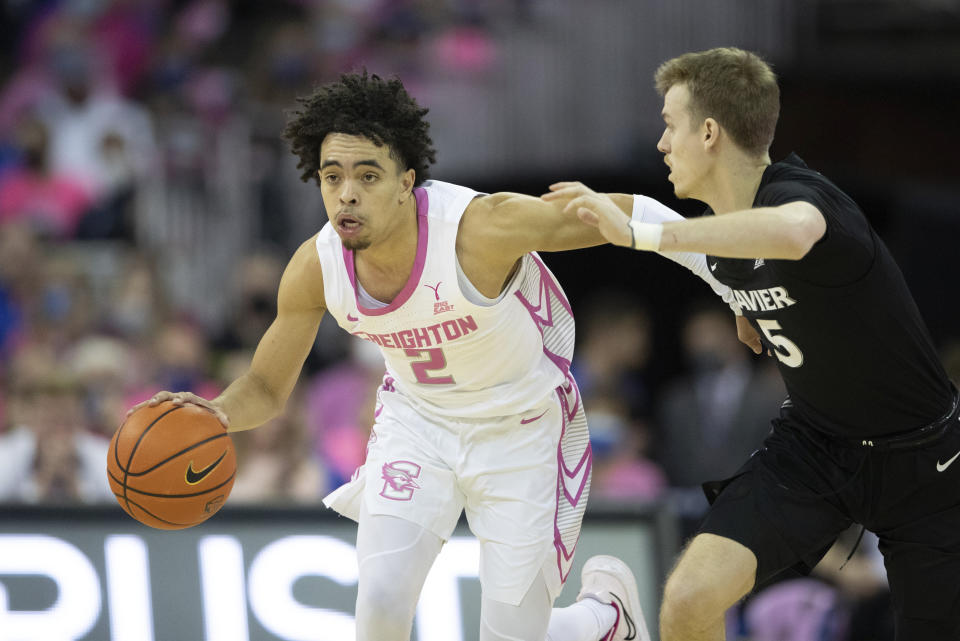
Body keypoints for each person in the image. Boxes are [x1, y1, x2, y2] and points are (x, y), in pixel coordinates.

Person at [132, 71, 712, 641]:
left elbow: (621, 213)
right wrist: (219, 414)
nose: (347, 193)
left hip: (524, 430)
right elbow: (265, 386)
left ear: (407, 180)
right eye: (332, 177)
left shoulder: (478, 229)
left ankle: (605, 619)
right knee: (380, 606)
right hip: (419, 425)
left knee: (514, 636)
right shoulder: (317, 266)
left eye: (367, 175)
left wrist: (727, 277)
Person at [551, 47, 959, 641]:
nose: (661, 144)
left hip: (925, 459)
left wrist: (639, 235)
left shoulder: (800, 196)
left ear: (710, 132)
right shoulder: (724, 235)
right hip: (817, 448)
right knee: (689, 599)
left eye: (670, 125)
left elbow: (794, 233)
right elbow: (661, 220)